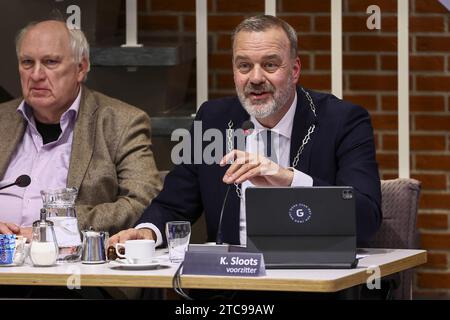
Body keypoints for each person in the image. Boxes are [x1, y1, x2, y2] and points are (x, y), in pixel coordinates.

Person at [110, 15, 381, 249]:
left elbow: (366, 217)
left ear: (295, 70)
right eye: (244, 65)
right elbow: (174, 204)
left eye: (270, 65)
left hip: (310, 282)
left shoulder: (342, 121)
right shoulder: (213, 120)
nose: (255, 78)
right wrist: (147, 232)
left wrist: (289, 180)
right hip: (230, 284)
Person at [0, 20, 162, 239]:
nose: (36, 75)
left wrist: (56, 231)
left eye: (50, 62)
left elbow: (142, 201)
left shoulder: (121, 123)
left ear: (81, 68)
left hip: (69, 262)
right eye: (27, 62)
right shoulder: (3, 119)